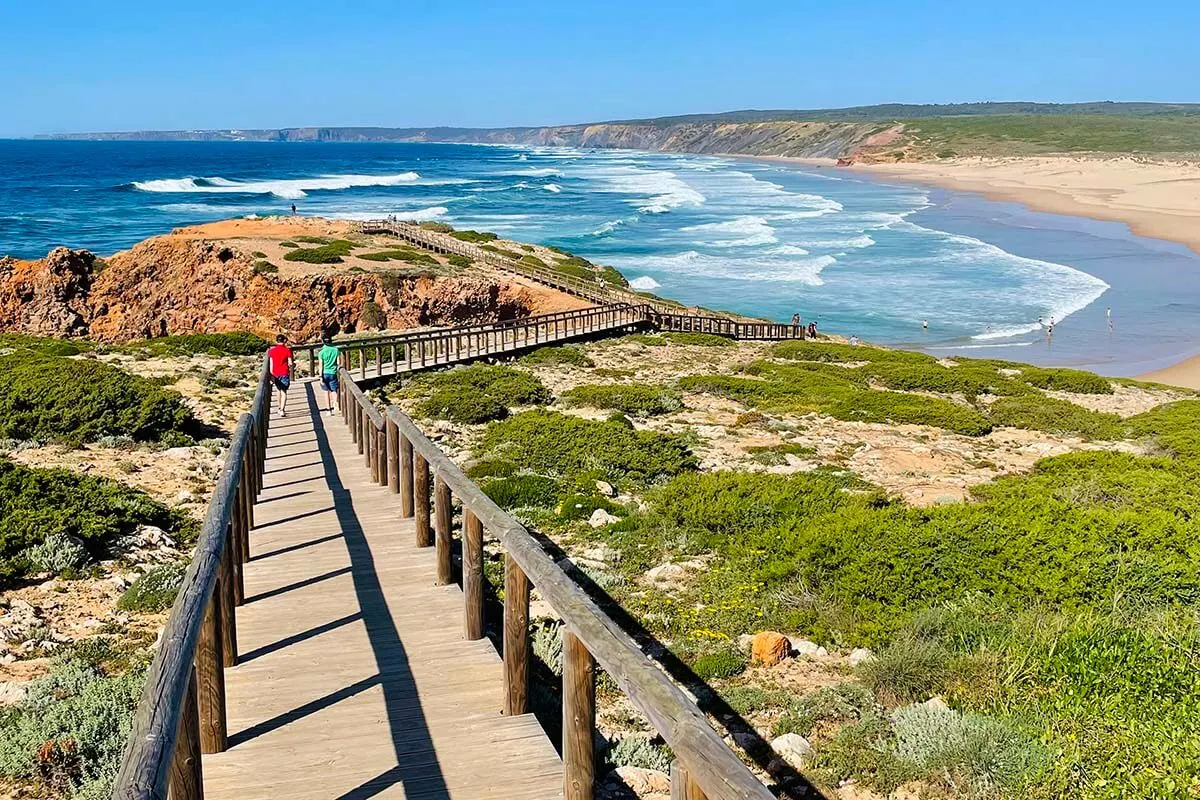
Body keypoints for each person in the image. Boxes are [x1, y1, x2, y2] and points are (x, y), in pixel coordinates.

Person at [266, 334, 294, 417]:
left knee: (278, 390)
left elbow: (271, 364)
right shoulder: (287, 350)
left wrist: (271, 375)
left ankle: (279, 408)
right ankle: (282, 409)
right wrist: (292, 365)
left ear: (276, 341)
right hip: (284, 372)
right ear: (284, 341)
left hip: (275, 373)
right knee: (284, 391)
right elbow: (290, 363)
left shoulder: (271, 351)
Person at [318, 334, 342, 415]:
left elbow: (321, 365)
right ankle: (335, 404)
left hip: (324, 373)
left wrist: (320, 376)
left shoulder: (321, 352)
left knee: (326, 391)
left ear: (323, 342)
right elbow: (339, 363)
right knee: (333, 390)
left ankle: (328, 410)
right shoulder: (336, 350)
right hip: (333, 373)